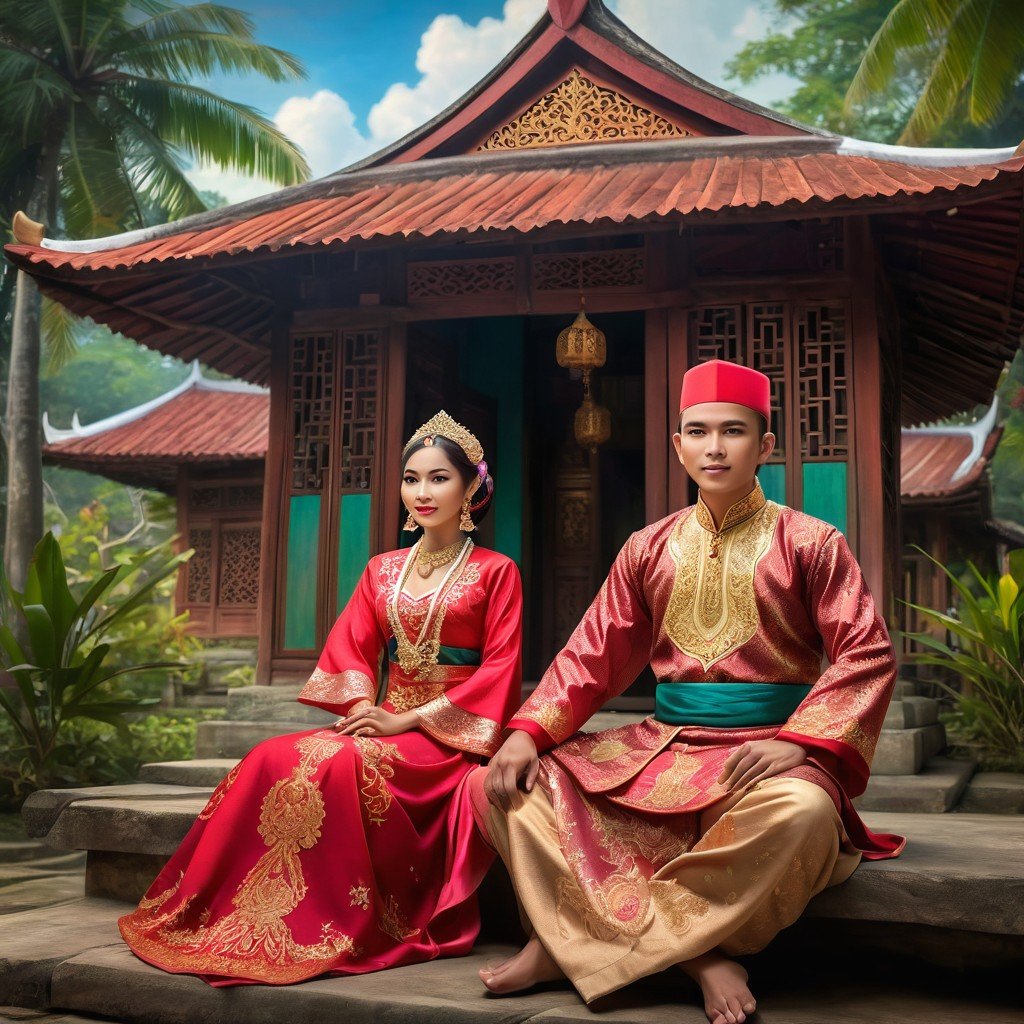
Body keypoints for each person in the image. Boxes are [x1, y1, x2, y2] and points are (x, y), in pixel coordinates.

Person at [475, 360, 903, 1024]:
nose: (713, 447)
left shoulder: (813, 542)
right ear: (677, 446)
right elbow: (594, 652)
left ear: (764, 446)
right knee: (501, 786)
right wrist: (527, 732)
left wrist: (799, 744)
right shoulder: (647, 547)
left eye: (733, 432)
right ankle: (701, 956)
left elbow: (867, 653)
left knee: (805, 816)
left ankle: (567, 941)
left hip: (764, 754)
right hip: (661, 748)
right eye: (697, 432)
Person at [119, 411, 523, 986]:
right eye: (411, 478)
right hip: (378, 722)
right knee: (270, 756)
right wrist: (363, 709)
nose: (422, 492)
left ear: (470, 488)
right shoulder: (381, 570)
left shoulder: (496, 572)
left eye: (438, 478)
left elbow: (502, 668)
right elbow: (352, 648)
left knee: (342, 764)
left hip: (445, 738)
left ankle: (330, 919)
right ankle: (239, 915)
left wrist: (404, 720)